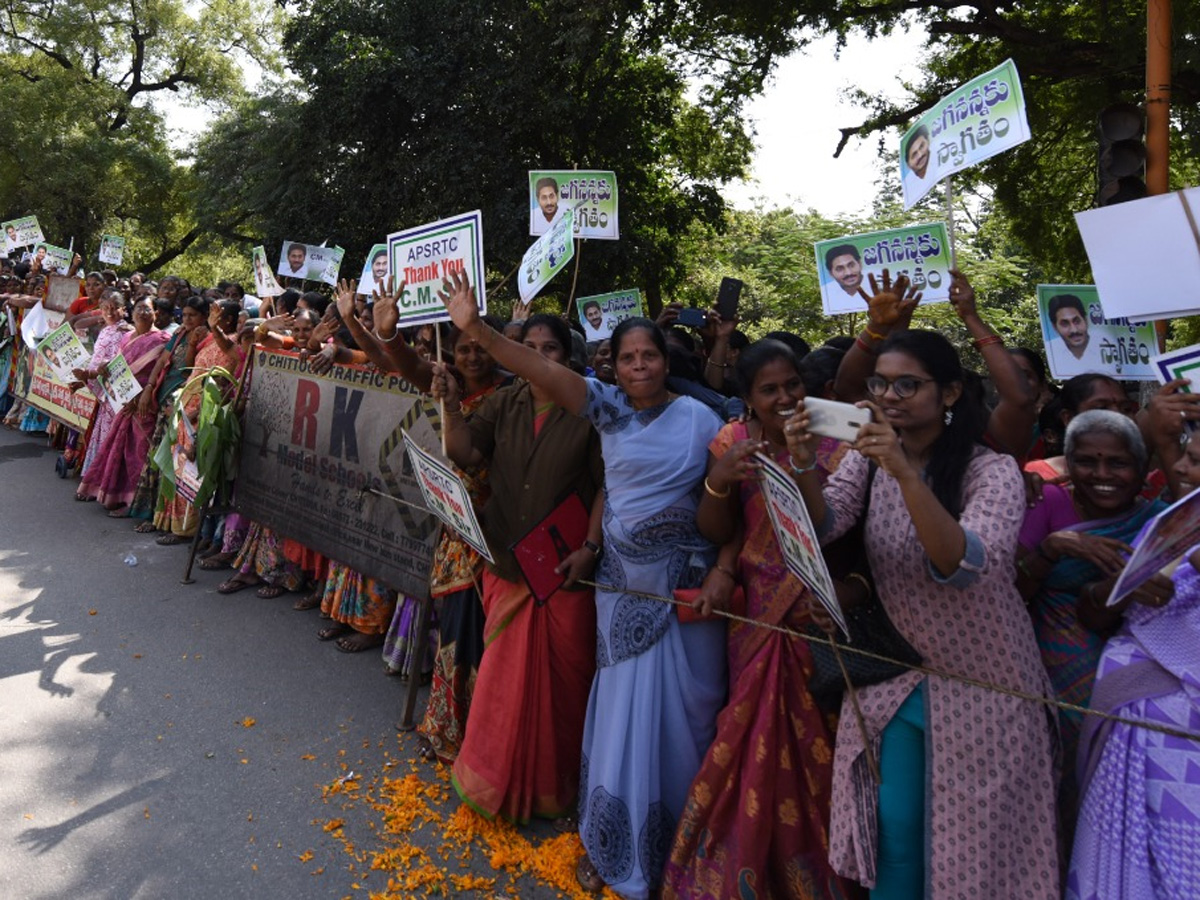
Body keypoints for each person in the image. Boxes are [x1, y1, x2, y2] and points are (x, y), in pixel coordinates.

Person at [789, 328, 1060, 897]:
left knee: (974, 847)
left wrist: (906, 473)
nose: (888, 396)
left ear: (952, 394)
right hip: (901, 674)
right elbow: (825, 523)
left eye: (907, 384)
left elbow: (961, 565)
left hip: (987, 687)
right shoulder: (865, 461)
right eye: (880, 383)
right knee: (896, 831)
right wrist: (804, 464)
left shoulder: (992, 472)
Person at [662, 339, 855, 900]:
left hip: (816, 615)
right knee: (747, 738)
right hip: (758, 622)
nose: (785, 397)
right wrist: (720, 479)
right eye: (769, 390)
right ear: (746, 398)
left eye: (792, 384)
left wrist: (850, 589)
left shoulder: (838, 445)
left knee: (816, 752)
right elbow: (719, 530)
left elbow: (849, 539)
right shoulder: (732, 442)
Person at [432, 303, 603, 824]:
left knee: (562, 684)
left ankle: (555, 789)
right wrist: (450, 404)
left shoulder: (590, 412)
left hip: (564, 573)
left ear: (567, 358)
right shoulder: (505, 402)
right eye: (528, 349)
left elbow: (603, 488)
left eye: (548, 350)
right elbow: (462, 451)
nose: (537, 358)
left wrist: (590, 548)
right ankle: (492, 778)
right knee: (503, 683)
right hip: (507, 562)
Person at [1016, 409, 1168, 824]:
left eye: (1117, 462)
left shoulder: (1156, 519)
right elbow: (1011, 592)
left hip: (1139, 674)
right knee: (1068, 793)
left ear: (1142, 468)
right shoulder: (1046, 501)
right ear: (1069, 463)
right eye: (1086, 460)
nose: (1102, 473)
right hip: (1053, 669)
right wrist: (1054, 548)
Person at [1067, 431, 1200, 899]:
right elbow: (1096, 611)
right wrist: (1121, 587)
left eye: (1196, 462)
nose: (1180, 468)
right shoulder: (1170, 528)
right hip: (1136, 735)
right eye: (1184, 454)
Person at [78, 298, 171, 513]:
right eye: (139, 308)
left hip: (144, 404)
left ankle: (135, 503)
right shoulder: (127, 337)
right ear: (132, 312)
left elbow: (161, 373)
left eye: (147, 309)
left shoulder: (163, 339)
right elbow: (117, 367)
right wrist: (99, 370)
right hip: (122, 399)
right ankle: (114, 495)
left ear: (155, 313)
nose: (143, 313)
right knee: (119, 449)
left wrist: (142, 397)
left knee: (139, 452)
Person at [1045, 293, 1105, 376]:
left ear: (1086, 320)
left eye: (1077, 321)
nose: (1074, 330)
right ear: (1055, 327)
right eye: (1065, 324)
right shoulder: (1053, 352)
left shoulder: (1105, 345)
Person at [901, 124, 937, 204]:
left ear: (928, 142)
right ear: (908, 165)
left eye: (921, 146)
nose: (920, 155)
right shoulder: (912, 189)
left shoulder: (939, 170)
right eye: (914, 155)